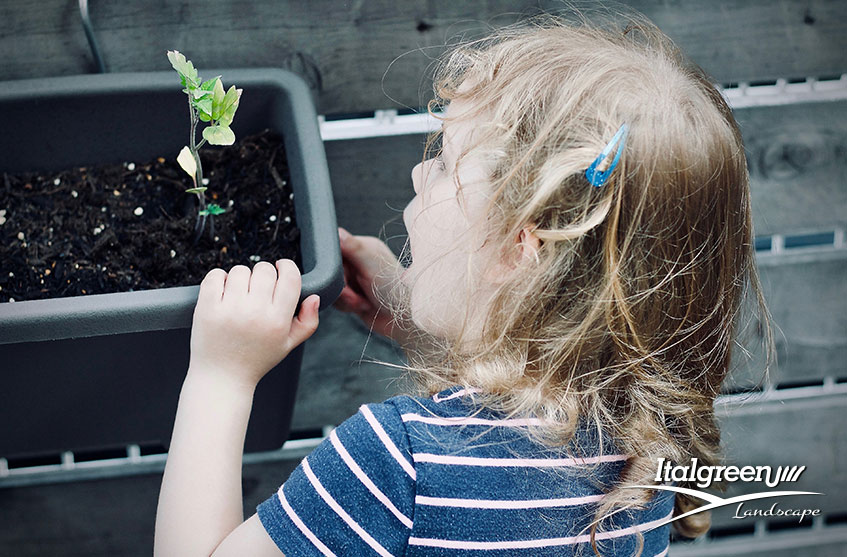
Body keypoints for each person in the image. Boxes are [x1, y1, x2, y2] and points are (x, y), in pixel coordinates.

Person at [154, 11, 772, 557]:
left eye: (446, 161)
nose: (422, 173)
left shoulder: (397, 465)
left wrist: (220, 376)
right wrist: (409, 319)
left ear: (517, 248)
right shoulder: (646, 458)